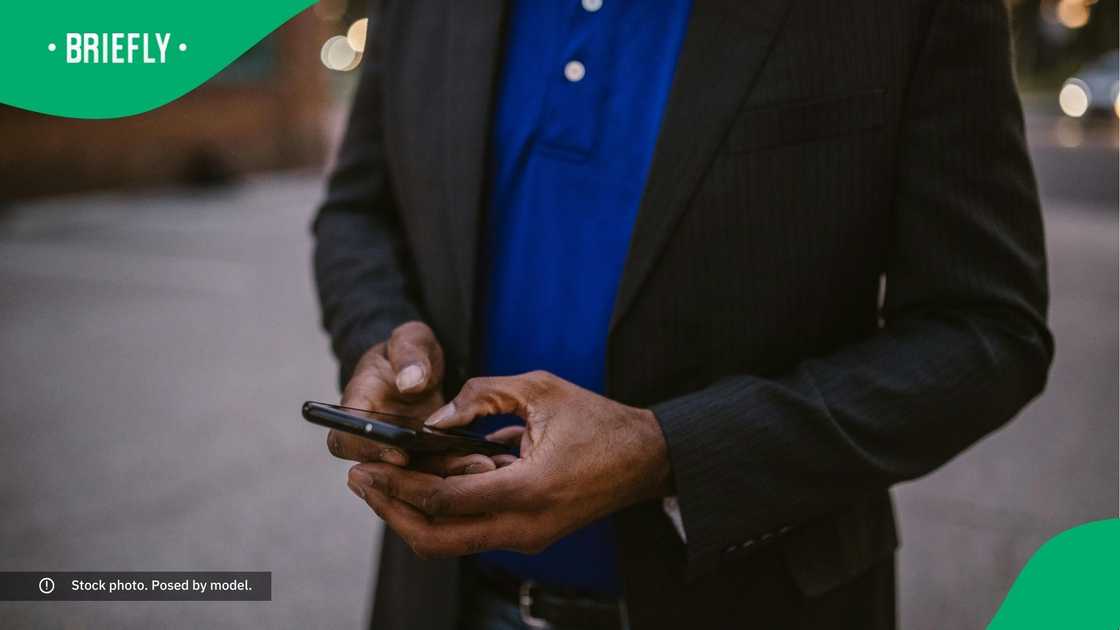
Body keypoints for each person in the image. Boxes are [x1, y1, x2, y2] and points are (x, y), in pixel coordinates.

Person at [312, 1, 1053, 628]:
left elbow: (987, 328)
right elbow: (359, 211)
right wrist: (384, 344)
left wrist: (672, 451)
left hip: (757, 605)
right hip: (446, 602)